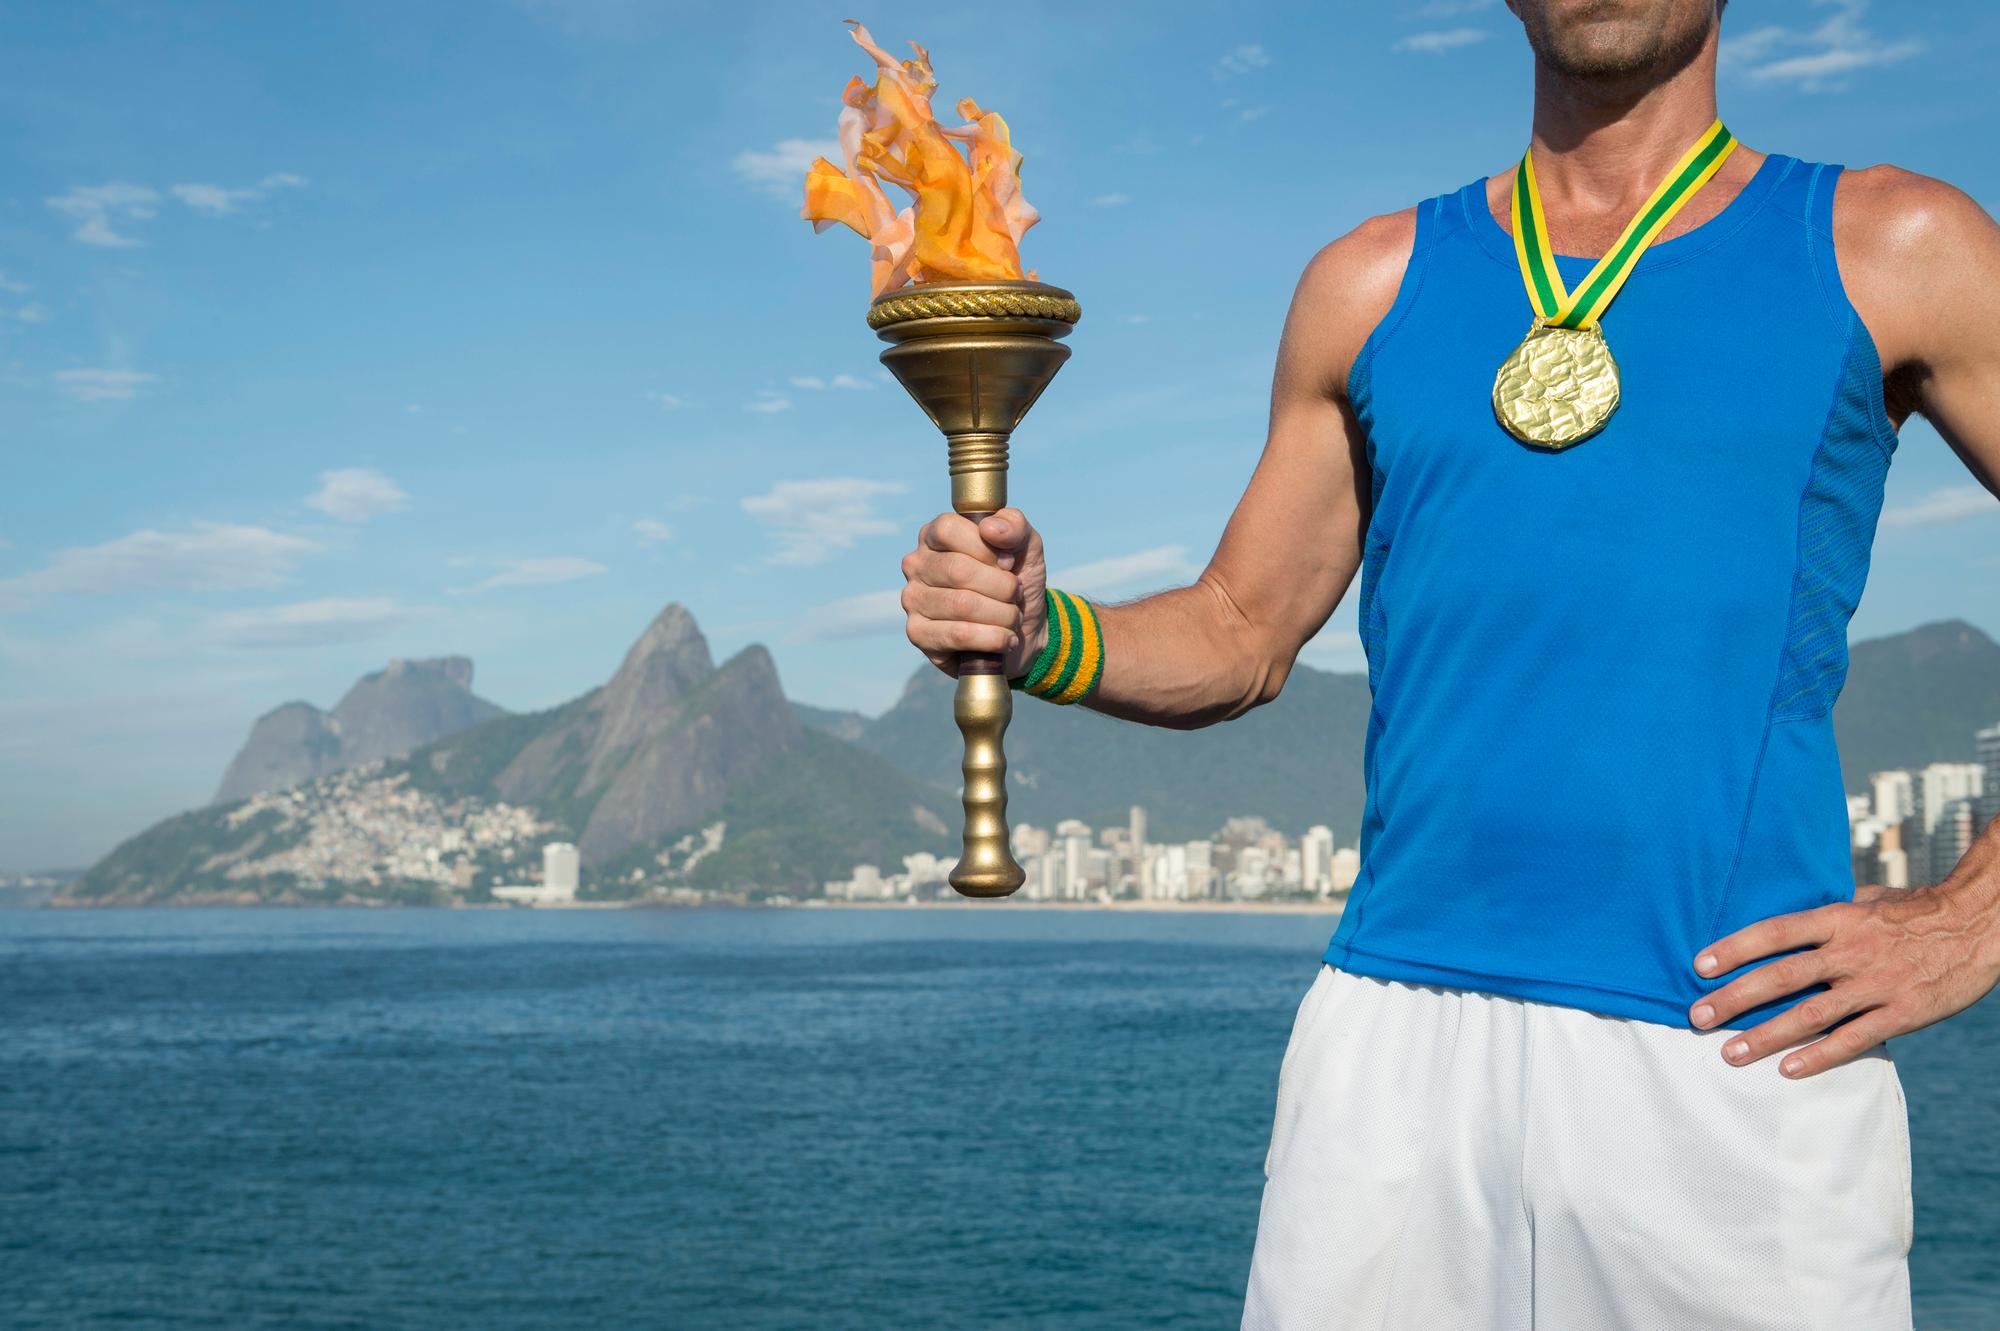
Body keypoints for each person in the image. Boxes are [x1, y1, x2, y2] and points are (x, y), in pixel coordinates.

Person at [897, 0, 2000, 1324]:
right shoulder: (1366, 283)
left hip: (1734, 1051)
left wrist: (1975, 916)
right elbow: (1244, 630)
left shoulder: (1897, 246)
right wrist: (1040, 630)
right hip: (1390, 1056)